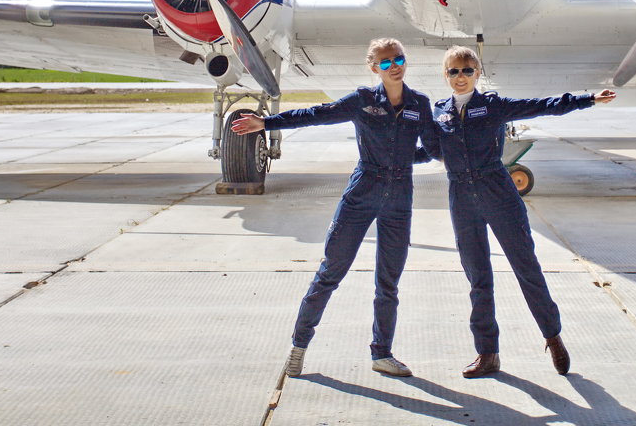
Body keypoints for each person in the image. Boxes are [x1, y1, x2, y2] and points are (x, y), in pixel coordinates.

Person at [231, 38, 436, 379]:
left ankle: (382, 353)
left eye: (398, 59)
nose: (393, 66)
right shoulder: (363, 101)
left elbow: (431, 148)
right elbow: (315, 115)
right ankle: (298, 348)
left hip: (400, 197)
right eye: (385, 63)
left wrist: (404, 159)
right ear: (375, 68)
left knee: (389, 282)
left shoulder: (420, 104)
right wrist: (266, 124)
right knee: (330, 273)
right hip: (363, 192)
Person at [427, 45, 614, 378]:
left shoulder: (494, 106)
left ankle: (552, 335)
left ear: (477, 73)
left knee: (526, 266)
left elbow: (541, 107)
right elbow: (429, 149)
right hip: (461, 196)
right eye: (453, 71)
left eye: (467, 70)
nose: (460, 77)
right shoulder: (439, 112)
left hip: (497, 191)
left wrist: (587, 99)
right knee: (477, 277)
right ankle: (487, 353)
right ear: (445, 75)